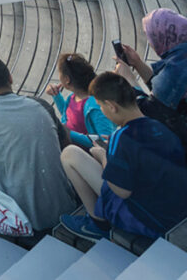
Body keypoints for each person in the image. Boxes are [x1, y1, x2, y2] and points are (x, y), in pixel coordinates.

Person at [58, 71, 187, 242]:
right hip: (177, 207)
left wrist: (104, 157)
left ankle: (98, 224)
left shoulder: (122, 139)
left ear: (111, 106)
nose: (103, 112)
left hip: (151, 220)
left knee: (69, 155)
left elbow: (122, 191)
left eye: (101, 107)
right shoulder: (157, 125)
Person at [0, 55, 75, 233]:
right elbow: (66, 142)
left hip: (20, 218)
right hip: (63, 205)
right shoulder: (41, 105)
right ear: (10, 77)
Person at [115, 8, 187, 110]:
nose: (149, 42)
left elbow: (152, 110)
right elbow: (162, 93)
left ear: (163, 36)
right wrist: (138, 63)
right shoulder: (181, 57)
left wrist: (129, 80)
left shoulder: (178, 67)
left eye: (150, 36)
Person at [47, 53, 115, 150]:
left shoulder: (95, 106)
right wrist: (56, 96)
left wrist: (69, 134)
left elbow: (105, 142)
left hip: (85, 156)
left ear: (67, 79)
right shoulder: (72, 97)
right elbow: (68, 115)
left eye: (59, 73)